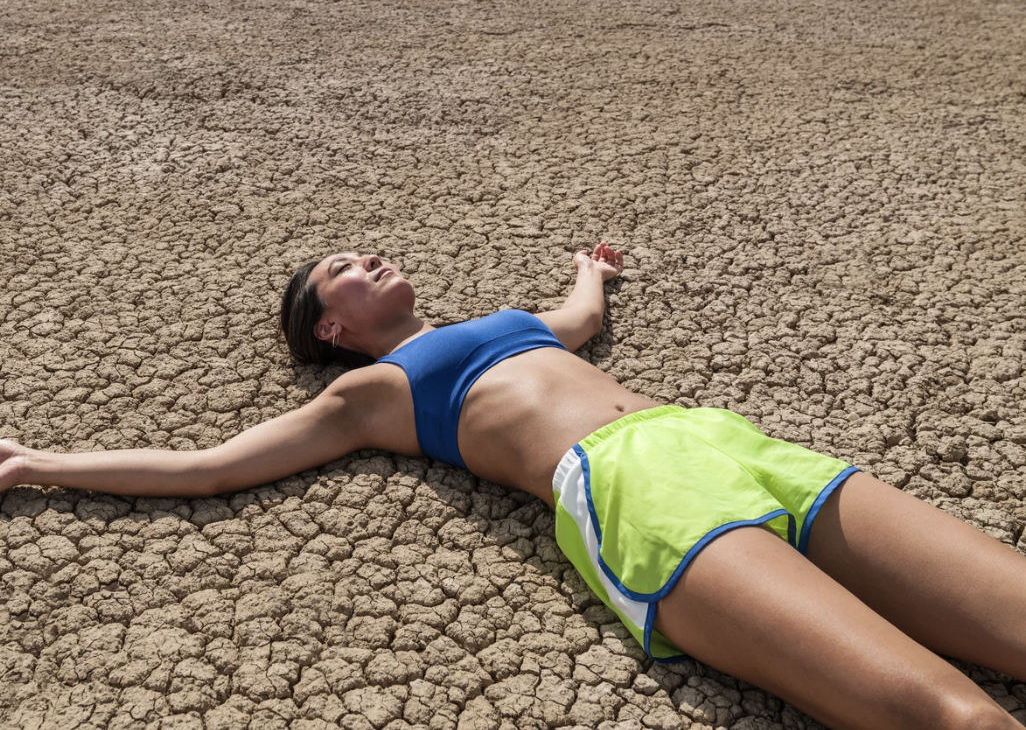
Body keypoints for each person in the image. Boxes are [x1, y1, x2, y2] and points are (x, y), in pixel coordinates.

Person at [1, 242, 1023, 730]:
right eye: (344, 267)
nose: (371, 253)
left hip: (725, 440)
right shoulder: (373, 390)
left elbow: (574, 321)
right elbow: (211, 466)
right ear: (330, 326)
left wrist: (592, 270)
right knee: (958, 717)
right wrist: (34, 461)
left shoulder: (504, 322)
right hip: (631, 491)